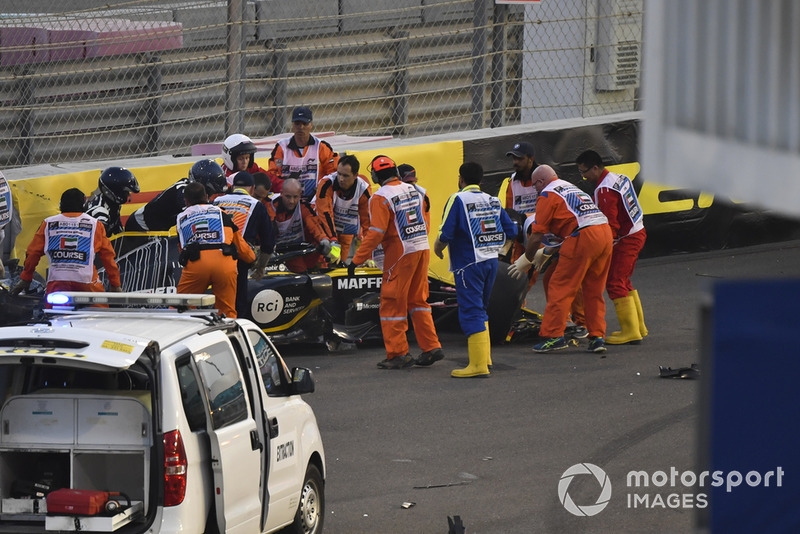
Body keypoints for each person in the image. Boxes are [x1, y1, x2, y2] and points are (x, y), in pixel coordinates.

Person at [349, 155, 443, 369]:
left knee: (392, 304)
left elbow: (376, 233)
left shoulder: (380, 197)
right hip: (421, 248)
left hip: (400, 255)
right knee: (418, 301)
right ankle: (431, 346)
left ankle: (398, 354)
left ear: (374, 175)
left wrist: (357, 260)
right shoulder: (416, 190)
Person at [508, 165, 612, 354]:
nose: (535, 190)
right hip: (604, 233)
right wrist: (547, 252)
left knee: (559, 285)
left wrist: (528, 257)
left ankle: (553, 335)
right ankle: (597, 336)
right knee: (593, 289)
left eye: (535, 185)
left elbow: (537, 235)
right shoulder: (569, 187)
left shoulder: (547, 195)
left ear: (540, 181)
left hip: (582, 237)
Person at [433, 162, 517, 378]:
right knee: (481, 309)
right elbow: (511, 230)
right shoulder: (493, 200)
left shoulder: (458, 198)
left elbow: (446, 233)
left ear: (461, 179)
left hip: (468, 265)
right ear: (481, 180)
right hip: (491, 262)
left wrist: (438, 248)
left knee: (471, 310)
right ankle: (484, 359)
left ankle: (478, 365)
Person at [576, 149, 647, 344]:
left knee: (614, 282)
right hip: (637, 231)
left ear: (596, 168)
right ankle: (638, 328)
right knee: (624, 280)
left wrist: (603, 250)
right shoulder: (619, 177)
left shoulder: (604, 190)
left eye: (584, 172)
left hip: (627, 238)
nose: (583, 176)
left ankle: (631, 331)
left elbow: (611, 226)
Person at [12, 188, 122, 301]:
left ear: (60, 205)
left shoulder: (48, 223)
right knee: (100, 313)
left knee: (50, 313)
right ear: (85, 206)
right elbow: (108, 258)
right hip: (87, 285)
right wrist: (115, 284)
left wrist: (26, 278)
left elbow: (32, 253)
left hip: (57, 284)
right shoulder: (95, 225)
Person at [175, 182, 255, 318]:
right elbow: (241, 246)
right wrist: (252, 258)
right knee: (227, 312)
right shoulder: (222, 214)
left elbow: (182, 249)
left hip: (197, 265)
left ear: (186, 201)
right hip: (224, 264)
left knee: (181, 308)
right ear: (207, 197)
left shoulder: (181, 218)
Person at [213, 171, 275, 315]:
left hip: (212, 256)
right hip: (238, 260)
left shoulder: (216, 201)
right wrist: (260, 268)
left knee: (215, 303)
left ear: (233, 186)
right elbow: (268, 243)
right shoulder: (257, 206)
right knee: (237, 306)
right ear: (252, 189)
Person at [268, 106, 338, 199]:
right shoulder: (281, 147)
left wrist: (322, 188)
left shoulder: (321, 147)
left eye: (304, 123)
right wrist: (287, 182)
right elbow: (272, 174)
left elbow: (334, 173)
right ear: (292, 125)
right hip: (287, 199)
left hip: (314, 199)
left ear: (311, 125)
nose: (300, 127)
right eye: (297, 123)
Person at [272, 178, 340, 273]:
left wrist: (323, 239)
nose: (291, 201)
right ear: (281, 193)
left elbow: (314, 224)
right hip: (272, 250)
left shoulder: (303, 207)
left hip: (295, 250)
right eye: (288, 197)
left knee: (317, 248)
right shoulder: (271, 205)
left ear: (300, 195)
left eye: (295, 197)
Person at [315, 154, 371, 261]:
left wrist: (370, 255)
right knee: (323, 260)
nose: (341, 179)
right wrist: (333, 239)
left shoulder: (364, 190)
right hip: (323, 227)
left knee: (341, 263)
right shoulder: (326, 184)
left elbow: (368, 224)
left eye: (345, 176)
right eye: (339, 174)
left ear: (355, 176)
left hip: (346, 230)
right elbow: (325, 213)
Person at [84, 166, 140, 236]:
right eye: (125, 192)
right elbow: (101, 241)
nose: (128, 196)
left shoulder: (113, 203)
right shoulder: (99, 211)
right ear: (114, 191)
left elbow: (117, 228)